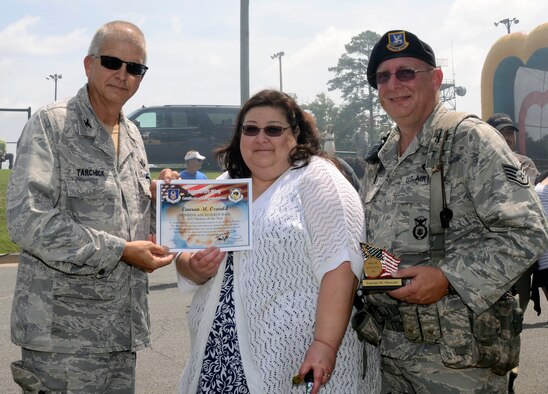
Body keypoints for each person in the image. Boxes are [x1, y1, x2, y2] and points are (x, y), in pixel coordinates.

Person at [357, 29, 548, 393]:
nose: (393, 84)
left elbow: (528, 232)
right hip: (388, 354)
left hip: (456, 362)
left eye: (406, 72)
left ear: (437, 79)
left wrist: (446, 278)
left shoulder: (469, 140)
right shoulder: (380, 156)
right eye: (383, 76)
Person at [172, 89, 381, 393]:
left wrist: (325, 344)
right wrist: (194, 268)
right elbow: (184, 251)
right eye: (250, 129)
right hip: (217, 361)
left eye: (273, 129)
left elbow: (341, 264)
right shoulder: (225, 184)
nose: (260, 138)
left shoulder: (318, 180)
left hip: (295, 363)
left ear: (295, 134)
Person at [6, 20, 175, 393]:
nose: (123, 75)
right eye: (113, 62)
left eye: (135, 68)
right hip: (63, 339)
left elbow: (129, 215)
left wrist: (165, 201)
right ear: (89, 64)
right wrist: (121, 251)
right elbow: (28, 220)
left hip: (120, 332)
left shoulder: (132, 134)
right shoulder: (52, 125)